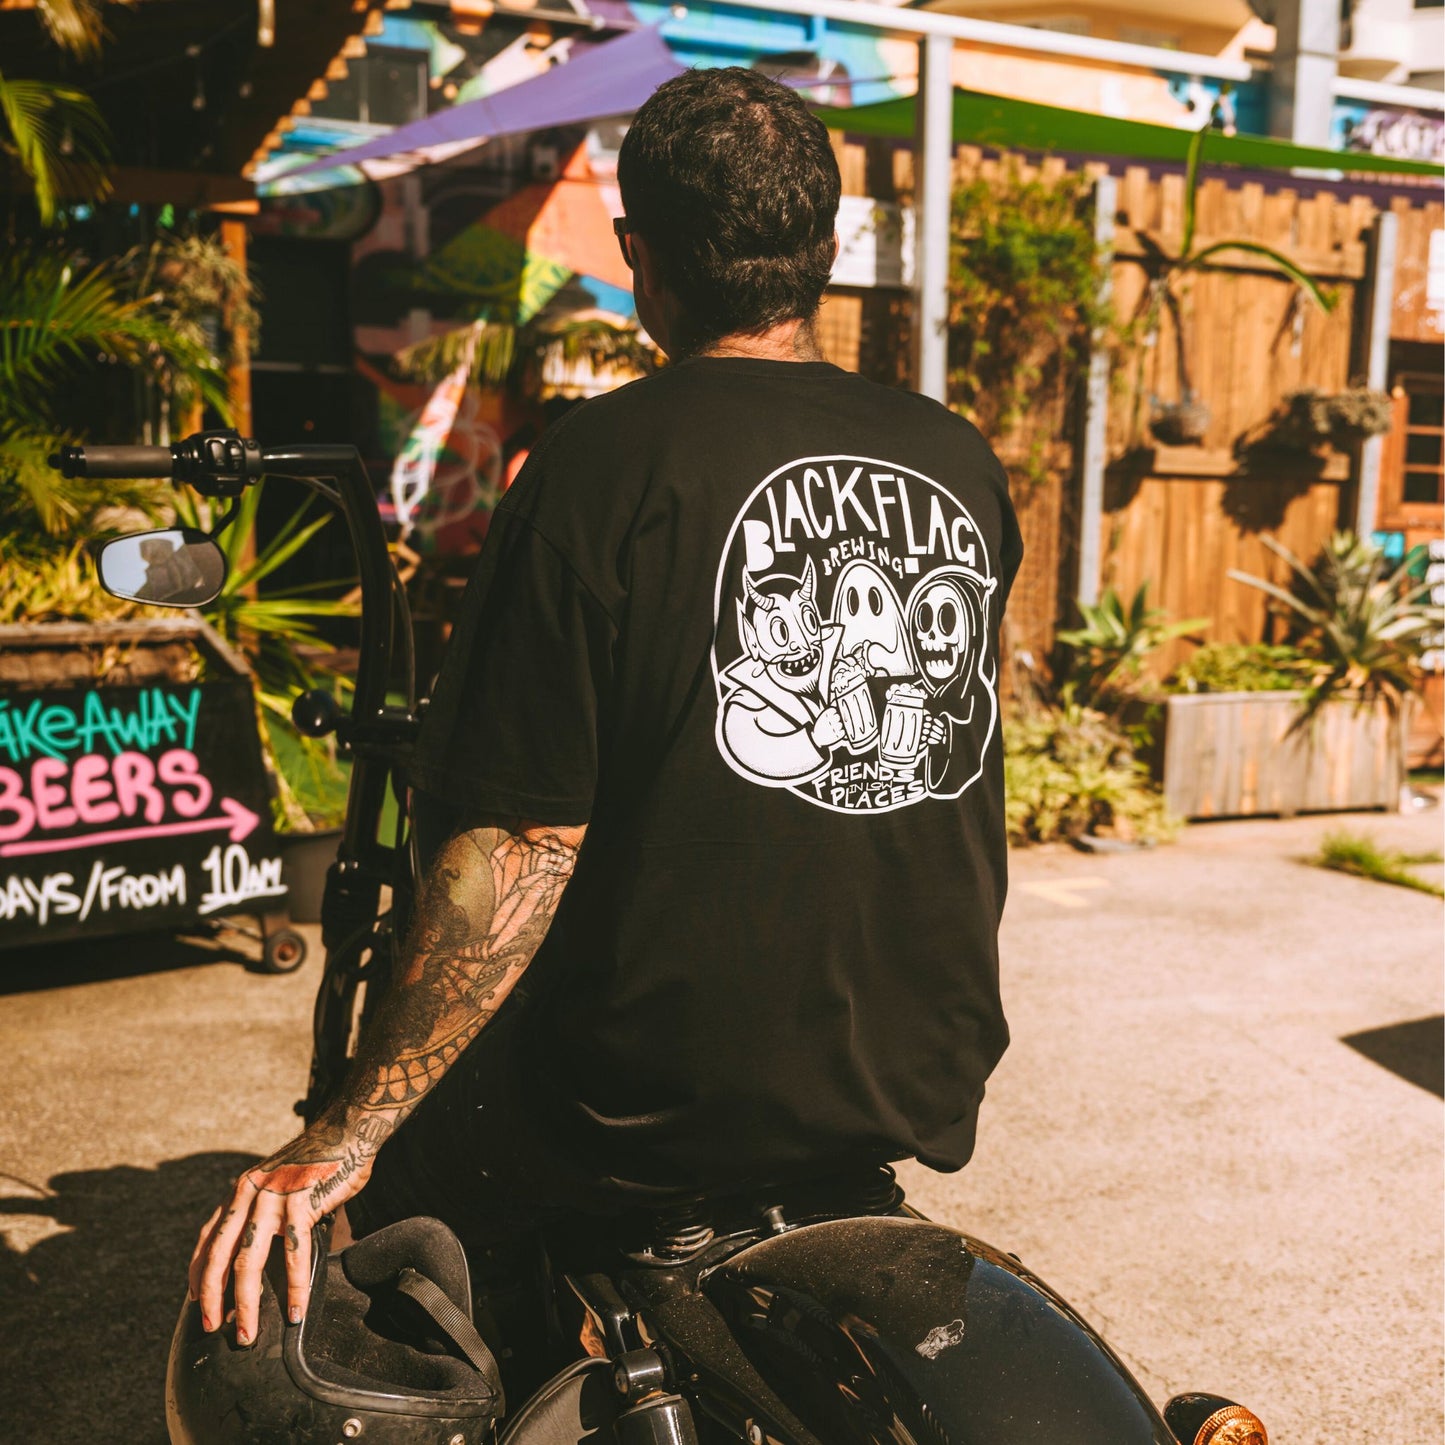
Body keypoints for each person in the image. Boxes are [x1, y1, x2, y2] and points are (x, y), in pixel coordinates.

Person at [189, 66, 1023, 1355]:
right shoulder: (958, 458)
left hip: (648, 1114)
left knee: (390, 1226)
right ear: (828, 248)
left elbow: (521, 843)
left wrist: (343, 1135)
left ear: (641, 254)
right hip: (909, 1074)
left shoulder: (597, 465)